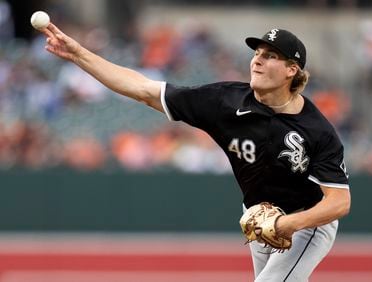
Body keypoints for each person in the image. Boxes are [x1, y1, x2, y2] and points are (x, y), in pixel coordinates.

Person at [42, 23, 351, 281]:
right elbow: (143, 89)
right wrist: (78, 55)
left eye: (269, 56)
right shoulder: (225, 102)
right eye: (256, 53)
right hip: (259, 215)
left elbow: (339, 202)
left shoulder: (317, 130)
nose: (256, 60)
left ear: (291, 70)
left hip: (308, 220)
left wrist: (291, 225)